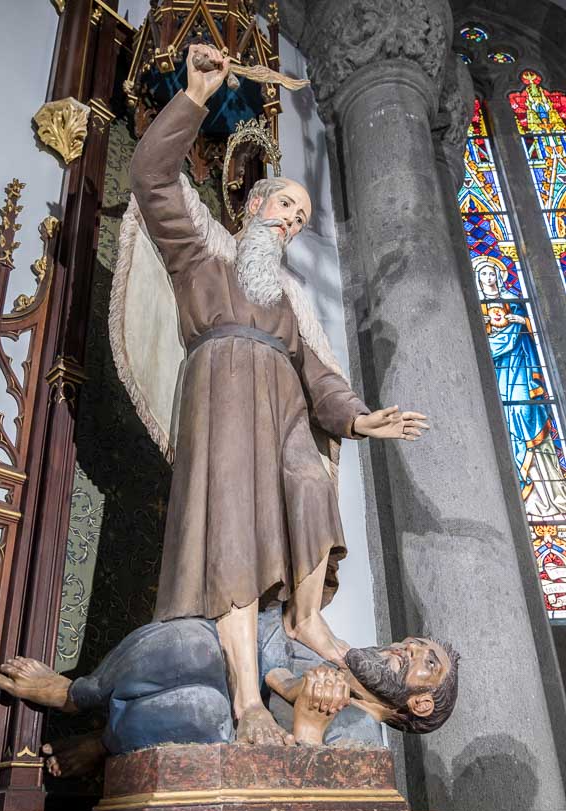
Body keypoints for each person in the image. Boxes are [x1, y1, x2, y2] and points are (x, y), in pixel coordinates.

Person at [116, 43, 430, 745]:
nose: (291, 219)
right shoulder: (202, 252)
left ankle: (305, 619)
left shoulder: (287, 300)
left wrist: (359, 418)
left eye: (301, 215)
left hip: (284, 408)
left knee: (313, 487)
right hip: (223, 400)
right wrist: (196, 95)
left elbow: (317, 375)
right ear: (254, 203)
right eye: (285, 203)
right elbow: (150, 175)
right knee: (230, 524)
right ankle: (244, 701)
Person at [0, 616, 459, 774]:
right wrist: (284, 681)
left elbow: (307, 810)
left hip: (230, 753)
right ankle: (79, 693)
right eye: (415, 642)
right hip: (235, 688)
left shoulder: (364, 745)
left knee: (205, 711)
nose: (408, 647)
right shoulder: (331, 653)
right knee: (193, 641)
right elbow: (270, 636)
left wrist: (310, 726)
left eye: (426, 661)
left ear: (418, 703)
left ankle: (104, 744)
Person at [472, 255, 566, 517]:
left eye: (492, 274)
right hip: (501, 378)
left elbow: (530, 334)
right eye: (483, 275)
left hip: (524, 373)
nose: (489, 279)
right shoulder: (477, 311)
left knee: (528, 415)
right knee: (511, 421)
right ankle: (531, 495)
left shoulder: (515, 303)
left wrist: (519, 321)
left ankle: (555, 497)